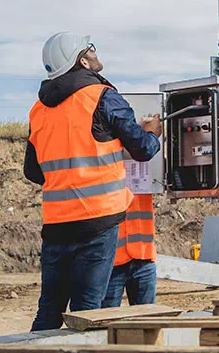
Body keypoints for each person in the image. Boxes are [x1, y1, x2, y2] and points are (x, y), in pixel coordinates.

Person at [24, 33, 162, 330]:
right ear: (82, 61)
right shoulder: (102, 96)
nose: (95, 53)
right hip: (98, 221)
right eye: (90, 49)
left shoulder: (38, 110)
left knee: (48, 310)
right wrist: (151, 132)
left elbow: (33, 172)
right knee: (88, 313)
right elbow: (143, 149)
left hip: (56, 224)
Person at [102, 191, 157, 307]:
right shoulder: (107, 177)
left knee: (147, 319)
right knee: (107, 319)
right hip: (113, 262)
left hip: (143, 258)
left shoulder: (145, 177)